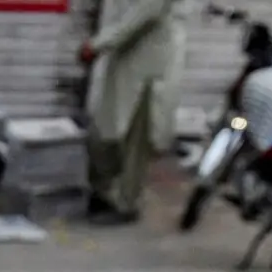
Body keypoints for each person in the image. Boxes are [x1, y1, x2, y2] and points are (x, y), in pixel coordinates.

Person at [79, 0, 190, 225]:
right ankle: (102, 191)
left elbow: (143, 14)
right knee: (106, 131)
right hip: (126, 59)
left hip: (151, 69)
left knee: (135, 139)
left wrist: (97, 44)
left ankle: (126, 204)